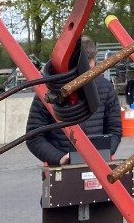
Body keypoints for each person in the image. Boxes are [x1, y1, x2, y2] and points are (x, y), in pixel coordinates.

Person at [26, 37, 123, 165]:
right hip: (61, 165)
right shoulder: (49, 90)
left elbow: (114, 129)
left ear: (94, 61)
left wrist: (104, 152)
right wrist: (60, 158)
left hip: (99, 163)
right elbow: (34, 136)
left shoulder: (106, 88)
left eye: (88, 65)